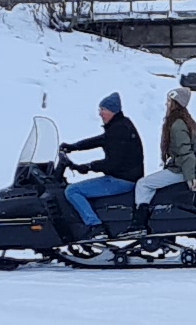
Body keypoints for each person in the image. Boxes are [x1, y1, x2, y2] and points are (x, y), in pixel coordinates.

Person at [58, 92, 146, 235]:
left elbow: (112, 163)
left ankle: (95, 226)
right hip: (125, 177)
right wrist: (74, 146)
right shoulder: (120, 125)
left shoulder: (119, 130)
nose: (100, 114)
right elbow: (101, 140)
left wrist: (88, 167)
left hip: (121, 180)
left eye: (103, 110)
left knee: (72, 191)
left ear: (113, 111)